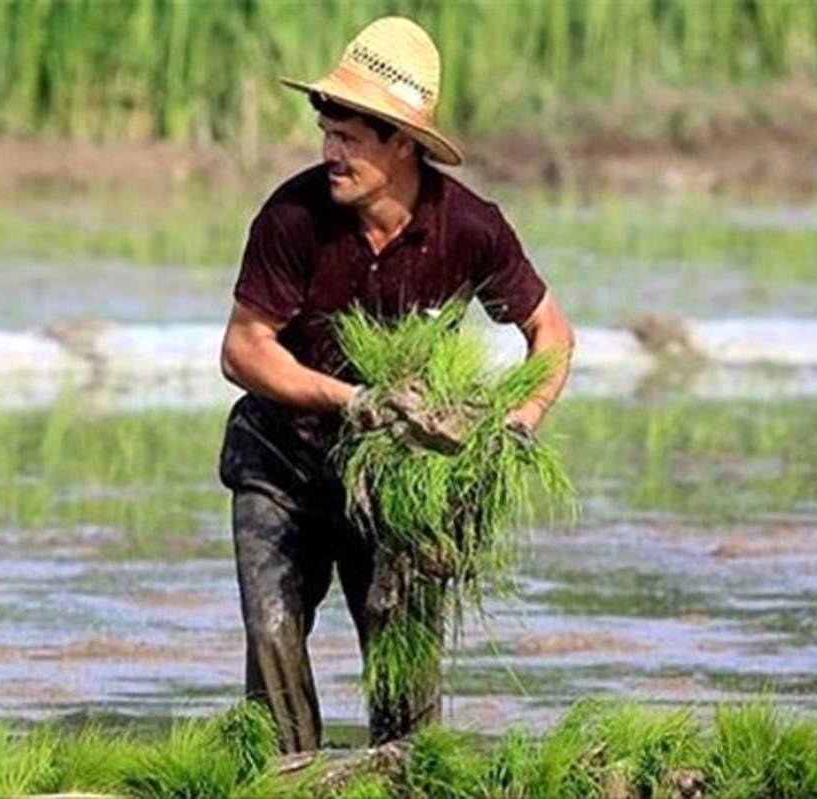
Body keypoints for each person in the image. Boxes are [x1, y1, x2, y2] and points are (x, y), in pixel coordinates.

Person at [217, 16, 574, 753]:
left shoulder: (469, 228)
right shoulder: (292, 217)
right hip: (283, 460)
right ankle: (289, 776)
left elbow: (552, 332)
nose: (329, 152)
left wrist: (521, 418)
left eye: (350, 138)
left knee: (402, 653)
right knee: (273, 629)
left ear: (402, 143)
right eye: (327, 131)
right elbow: (243, 350)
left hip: (397, 476)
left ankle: (407, 771)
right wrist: (350, 399)